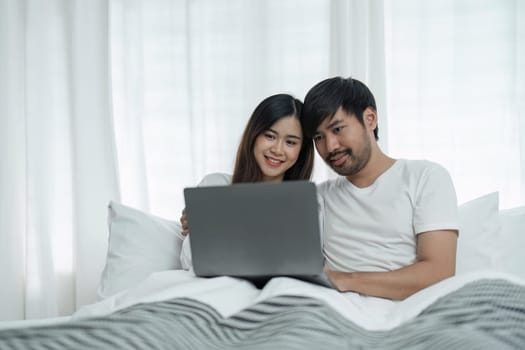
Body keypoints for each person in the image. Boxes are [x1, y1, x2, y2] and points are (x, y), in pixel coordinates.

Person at [301, 77, 459, 300]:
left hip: (412, 310)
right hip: (335, 313)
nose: (330, 146)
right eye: (319, 137)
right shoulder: (320, 196)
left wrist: (345, 280)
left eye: (337, 129)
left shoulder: (425, 177)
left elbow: (439, 273)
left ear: (370, 119)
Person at [179, 93, 315, 269]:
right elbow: (189, 261)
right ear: (254, 135)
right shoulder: (215, 185)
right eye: (270, 136)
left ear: (301, 151)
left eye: (290, 142)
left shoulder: (307, 203)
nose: (277, 149)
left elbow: (305, 265)